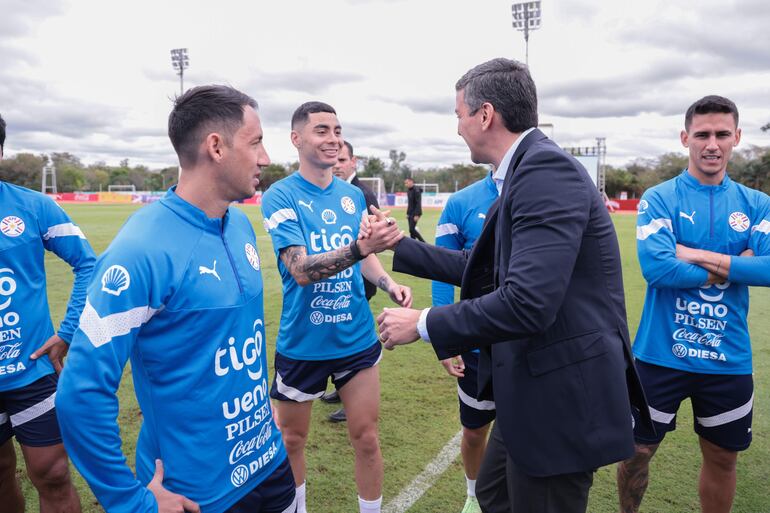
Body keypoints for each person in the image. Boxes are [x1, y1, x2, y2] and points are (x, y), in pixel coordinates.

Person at [371, 57, 651, 513]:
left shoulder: (544, 173)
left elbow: (527, 303)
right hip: (532, 389)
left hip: (559, 395)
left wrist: (423, 323)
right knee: (494, 492)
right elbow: (484, 268)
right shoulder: (525, 170)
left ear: (485, 115)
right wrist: (396, 246)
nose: (457, 126)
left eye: (459, 114)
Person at [56, 85, 296, 513]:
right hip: (197, 493)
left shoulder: (239, 225)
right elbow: (81, 392)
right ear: (216, 147)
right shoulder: (141, 249)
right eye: (256, 141)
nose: (265, 157)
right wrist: (130, 502)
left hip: (269, 462)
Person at [617, 95, 770, 513]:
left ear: (737, 137)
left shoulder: (757, 205)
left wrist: (693, 253)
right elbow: (659, 270)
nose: (712, 144)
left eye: (722, 134)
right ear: (685, 137)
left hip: (727, 361)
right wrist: (739, 265)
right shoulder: (660, 198)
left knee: (723, 457)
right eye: (702, 134)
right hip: (660, 355)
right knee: (636, 452)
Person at [261, 101, 410, 513]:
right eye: (322, 130)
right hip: (303, 342)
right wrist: (361, 246)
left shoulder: (352, 196)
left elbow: (363, 258)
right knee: (291, 440)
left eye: (337, 130)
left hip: (355, 338)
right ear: (297, 139)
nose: (333, 139)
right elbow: (301, 269)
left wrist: (387, 281)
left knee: (366, 437)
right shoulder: (280, 196)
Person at [0, 112, 93, 513]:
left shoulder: (31, 206)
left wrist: (69, 330)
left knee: (53, 473)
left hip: (31, 371)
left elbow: (89, 264)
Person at [431, 173, 498, 513]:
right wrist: (445, 337)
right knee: (474, 431)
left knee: (528, 435)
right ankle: (473, 496)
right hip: (476, 349)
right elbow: (443, 270)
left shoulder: (545, 191)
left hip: (532, 350)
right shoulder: (462, 202)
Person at [324, 140, 382, 422]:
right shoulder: (334, 191)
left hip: (358, 277)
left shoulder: (362, 192)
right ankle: (341, 388)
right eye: (335, 161)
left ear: (353, 162)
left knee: (352, 336)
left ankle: (352, 399)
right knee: (338, 333)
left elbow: (371, 241)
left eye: (342, 161)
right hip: (341, 275)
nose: (337, 165)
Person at [404, 177, 425, 242]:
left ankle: (423, 243)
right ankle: (414, 246)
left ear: (411, 182)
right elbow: (410, 203)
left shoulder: (416, 190)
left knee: (411, 229)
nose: (405, 184)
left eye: (407, 183)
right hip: (410, 213)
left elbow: (418, 203)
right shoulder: (408, 190)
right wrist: (407, 213)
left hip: (416, 212)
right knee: (411, 231)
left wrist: (417, 214)